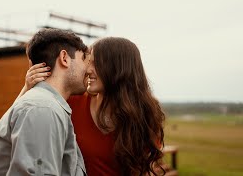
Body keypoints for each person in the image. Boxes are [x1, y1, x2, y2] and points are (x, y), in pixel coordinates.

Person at [20, 37, 166, 176]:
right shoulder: (72, 102)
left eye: (96, 64)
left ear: (117, 68)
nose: (88, 70)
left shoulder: (145, 113)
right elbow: (13, 126)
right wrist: (26, 89)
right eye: (88, 62)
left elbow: (145, 169)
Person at [0, 28, 89, 176]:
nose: (89, 68)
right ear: (64, 58)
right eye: (84, 58)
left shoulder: (43, 105)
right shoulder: (43, 109)